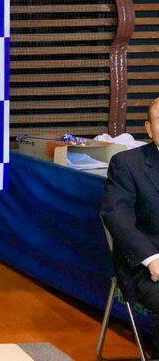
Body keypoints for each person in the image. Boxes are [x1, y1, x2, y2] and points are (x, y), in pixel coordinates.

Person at [101, 97, 159, 356]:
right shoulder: (127, 164)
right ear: (149, 129)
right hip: (145, 267)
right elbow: (116, 216)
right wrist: (152, 259)